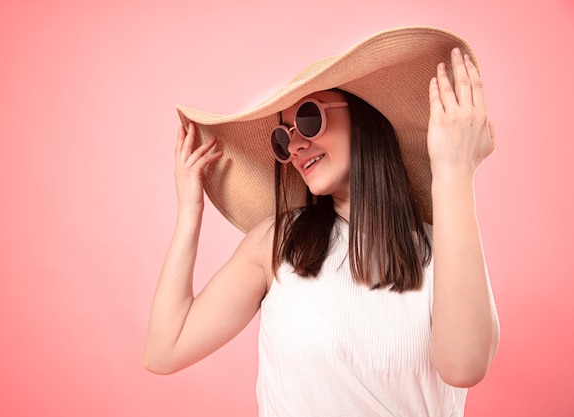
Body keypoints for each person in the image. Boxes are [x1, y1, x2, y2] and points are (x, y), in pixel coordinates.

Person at [144, 25, 500, 416]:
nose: (295, 145)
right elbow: (165, 350)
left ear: (365, 117)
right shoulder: (279, 244)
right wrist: (190, 213)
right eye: (283, 137)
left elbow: (464, 366)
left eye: (310, 119)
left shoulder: (440, 253)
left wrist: (454, 172)